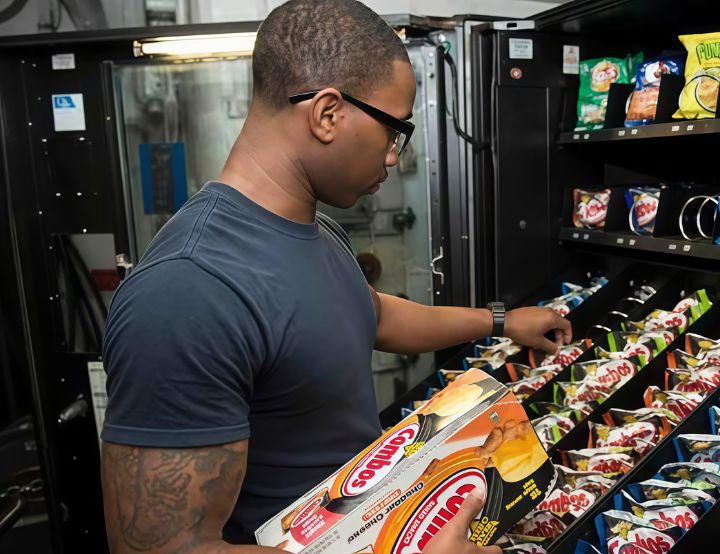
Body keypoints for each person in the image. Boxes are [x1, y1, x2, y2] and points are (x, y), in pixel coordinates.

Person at [99, 1, 572, 553]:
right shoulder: (188, 290)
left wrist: (500, 320)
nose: (394, 156)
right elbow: (159, 550)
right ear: (327, 114)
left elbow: (370, 314)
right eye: (394, 129)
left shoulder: (319, 232)